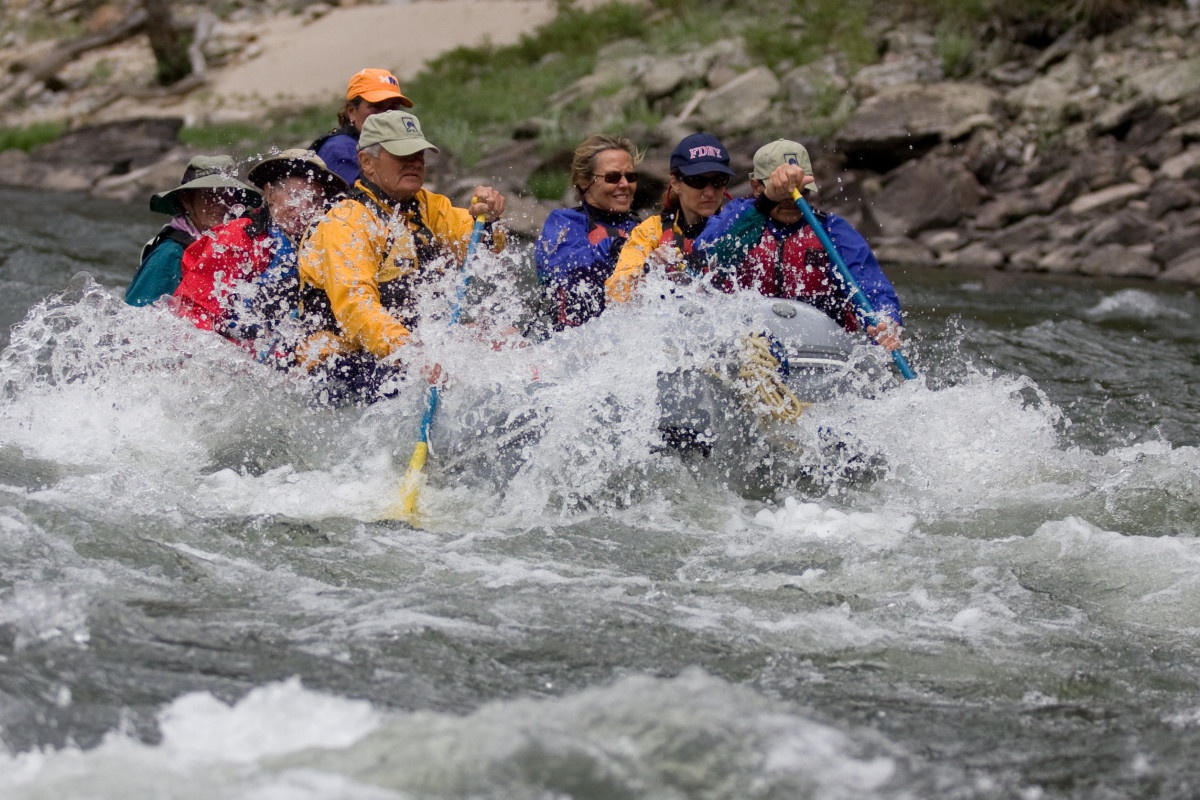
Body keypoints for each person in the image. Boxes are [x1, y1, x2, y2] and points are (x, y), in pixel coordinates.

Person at [297, 109, 506, 400]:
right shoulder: (346, 222)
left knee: (501, 339)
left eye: (418, 154)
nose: (414, 163)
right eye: (401, 155)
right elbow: (356, 308)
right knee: (444, 384)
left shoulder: (427, 206)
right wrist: (414, 355)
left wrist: (489, 219)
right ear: (367, 163)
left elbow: (481, 249)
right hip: (337, 364)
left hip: (399, 351)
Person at [693, 139, 904, 351]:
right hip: (742, 346)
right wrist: (765, 203)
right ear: (757, 187)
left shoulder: (832, 231)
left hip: (816, 350)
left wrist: (886, 319)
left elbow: (871, 286)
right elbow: (710, 255)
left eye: (801, 192)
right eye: (782, 193)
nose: (793, 201)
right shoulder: (737, 216)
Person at [171, 150, 347, 359]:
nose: (304, 207)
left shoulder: (327, 247)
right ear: (270, 193)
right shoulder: (236, 238)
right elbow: (193, 314)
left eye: (315, 200)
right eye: (295, 195)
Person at [605, 132, 734, 304]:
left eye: (718, 180)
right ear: (675, 183)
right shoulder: (651, 232)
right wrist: (648, 270)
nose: (709, 192)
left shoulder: (738, 227)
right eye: (697, 181)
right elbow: (615, 295)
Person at [535, 133, 641, 329]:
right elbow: (567, 268)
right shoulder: (563, 222)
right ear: (584, 181)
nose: (625, 184)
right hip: (568, 340)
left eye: (631, 176)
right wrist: (616, 246)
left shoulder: (642, 229)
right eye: (613, 177)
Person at [126, 155, 260, 307]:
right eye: (210, 194)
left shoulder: (244, 247)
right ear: (187, 200)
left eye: (229, 194)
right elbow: (134, 317)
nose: (221, 203)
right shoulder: (169, 254)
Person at [311, 68, 414, 187]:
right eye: (376, 106)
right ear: (351, 111)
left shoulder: (385, 147)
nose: (386, 115)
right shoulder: (340, 150)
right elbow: (363, 199)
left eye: (393, 107)